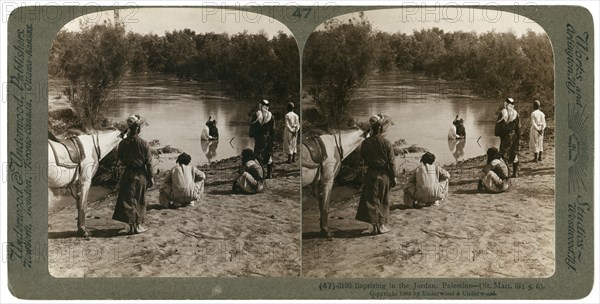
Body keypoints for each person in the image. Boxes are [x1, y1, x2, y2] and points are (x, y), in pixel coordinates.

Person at [113, 114, 154, 235]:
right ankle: (138, 226)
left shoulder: (123, 143)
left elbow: (119, 159)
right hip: (141, 174)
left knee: (128, 199)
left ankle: (130, 227)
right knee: (139, 199)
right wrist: (151, 177)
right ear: (139, 129)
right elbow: (149, 163)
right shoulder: (144, 143)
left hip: (128, 173)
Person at [355, 114, 396, 235]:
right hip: (384, 174)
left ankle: (372, 227)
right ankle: (382, 226)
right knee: (383, 199)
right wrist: (394, 177)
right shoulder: (387, 143)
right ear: (382, 128)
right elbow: (392, 163)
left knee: (370, 200)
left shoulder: (365, 143)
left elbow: (361, 158)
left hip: (371, 173)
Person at [495, 97, 521, 178]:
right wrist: (518, 136)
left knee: (503, 154)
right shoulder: (516, 114)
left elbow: (498, 126)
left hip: (505, 137)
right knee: (514, 153)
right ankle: (515, 173)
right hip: (514, 136)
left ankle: (505, 173)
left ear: (506, 103)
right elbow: (518, 127)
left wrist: (498, 134)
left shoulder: (502, 113)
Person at [250, 99, 275, 178]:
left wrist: (252, 135)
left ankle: (260, 174)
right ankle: (269, 174)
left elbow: (252, 127)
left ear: (260, 105)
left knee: (258, 155)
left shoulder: (257, 115)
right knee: (268, 155)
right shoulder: (271, 116)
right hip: (268, 138)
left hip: (259, 138)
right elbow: (273, 129)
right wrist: (273, 138)